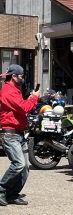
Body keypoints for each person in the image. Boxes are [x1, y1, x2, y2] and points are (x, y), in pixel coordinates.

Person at [0, 64, 40, 206]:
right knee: (19, 164)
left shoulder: (14, 89)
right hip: (10, 133)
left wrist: (29, 98)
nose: (23, 78)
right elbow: (24, 108)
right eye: (21, 76)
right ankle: (1, 189)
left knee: (25, 168)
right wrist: (34, 98)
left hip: (18, 133)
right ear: (14, 76)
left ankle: (12, 194)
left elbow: (21, 106)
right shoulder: (8, 91)